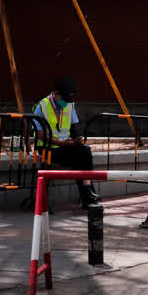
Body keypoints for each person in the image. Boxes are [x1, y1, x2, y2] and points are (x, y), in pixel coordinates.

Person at [34, 77, 100, 209]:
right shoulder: (42, 106)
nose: (65, 103)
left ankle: (87, 191)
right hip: (48, 150)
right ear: (55, 93)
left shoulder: (66, 104)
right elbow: (40, 135)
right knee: (80, 160)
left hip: (65, 147)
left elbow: (74, 127)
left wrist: (76, 140)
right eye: (64, 99)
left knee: (84, 151)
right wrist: (60, 142)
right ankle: (88, 195)